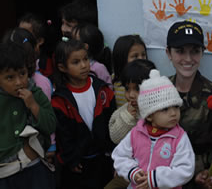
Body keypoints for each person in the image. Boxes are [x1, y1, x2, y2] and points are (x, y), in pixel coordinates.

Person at [112, 69, 195, 188]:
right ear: (150, 115)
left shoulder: (179, 137)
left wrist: (155, 178)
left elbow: (186, 169)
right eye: (165, 109)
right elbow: (119, 156)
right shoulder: (136, 133)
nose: (173, 113)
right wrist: (133, 172)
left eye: (176, 107)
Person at [51, 39, 116, 189]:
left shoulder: (102, 90)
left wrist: (113, 153)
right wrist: (71, 159)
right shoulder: (60, 99)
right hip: (79, 163)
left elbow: (111, 122)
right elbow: (63, 134)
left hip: (103, 158)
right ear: (62, 67)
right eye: (76, 62)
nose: (83, 65)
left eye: (85, 59)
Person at [166, 20, 212, 188]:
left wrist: (209, 172)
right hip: (161, 174)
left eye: (195, 51)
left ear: (202, 53)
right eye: (180, 51)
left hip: (199, 178)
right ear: (168, 53)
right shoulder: (160, 91)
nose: (188, 59)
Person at [0, 42, 56, 188]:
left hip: (34, 167)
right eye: (10, 78)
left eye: (22, 74)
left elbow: (50, 125)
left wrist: (33, 105)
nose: (19, 82)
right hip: (4, 173)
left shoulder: (35, 93)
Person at [105, 59, 156, 189]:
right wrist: (128, 117)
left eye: (137, 89)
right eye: (127, 89)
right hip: (129, 171)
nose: (131, 95)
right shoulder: (123, 112)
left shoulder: (159, 114)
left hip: (154, 173)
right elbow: (115, 137)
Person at [18, 12, 58, 77]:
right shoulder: (13, 56)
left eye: (26, 34)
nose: (20, 36)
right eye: (19, 32)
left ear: (39, 41)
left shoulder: (45, 64)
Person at [112, 35, 147, 108]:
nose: (141, 59)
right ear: (122, 58)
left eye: (143, 55)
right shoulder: (112, 81)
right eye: (135, 56)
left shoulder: (148, 80)